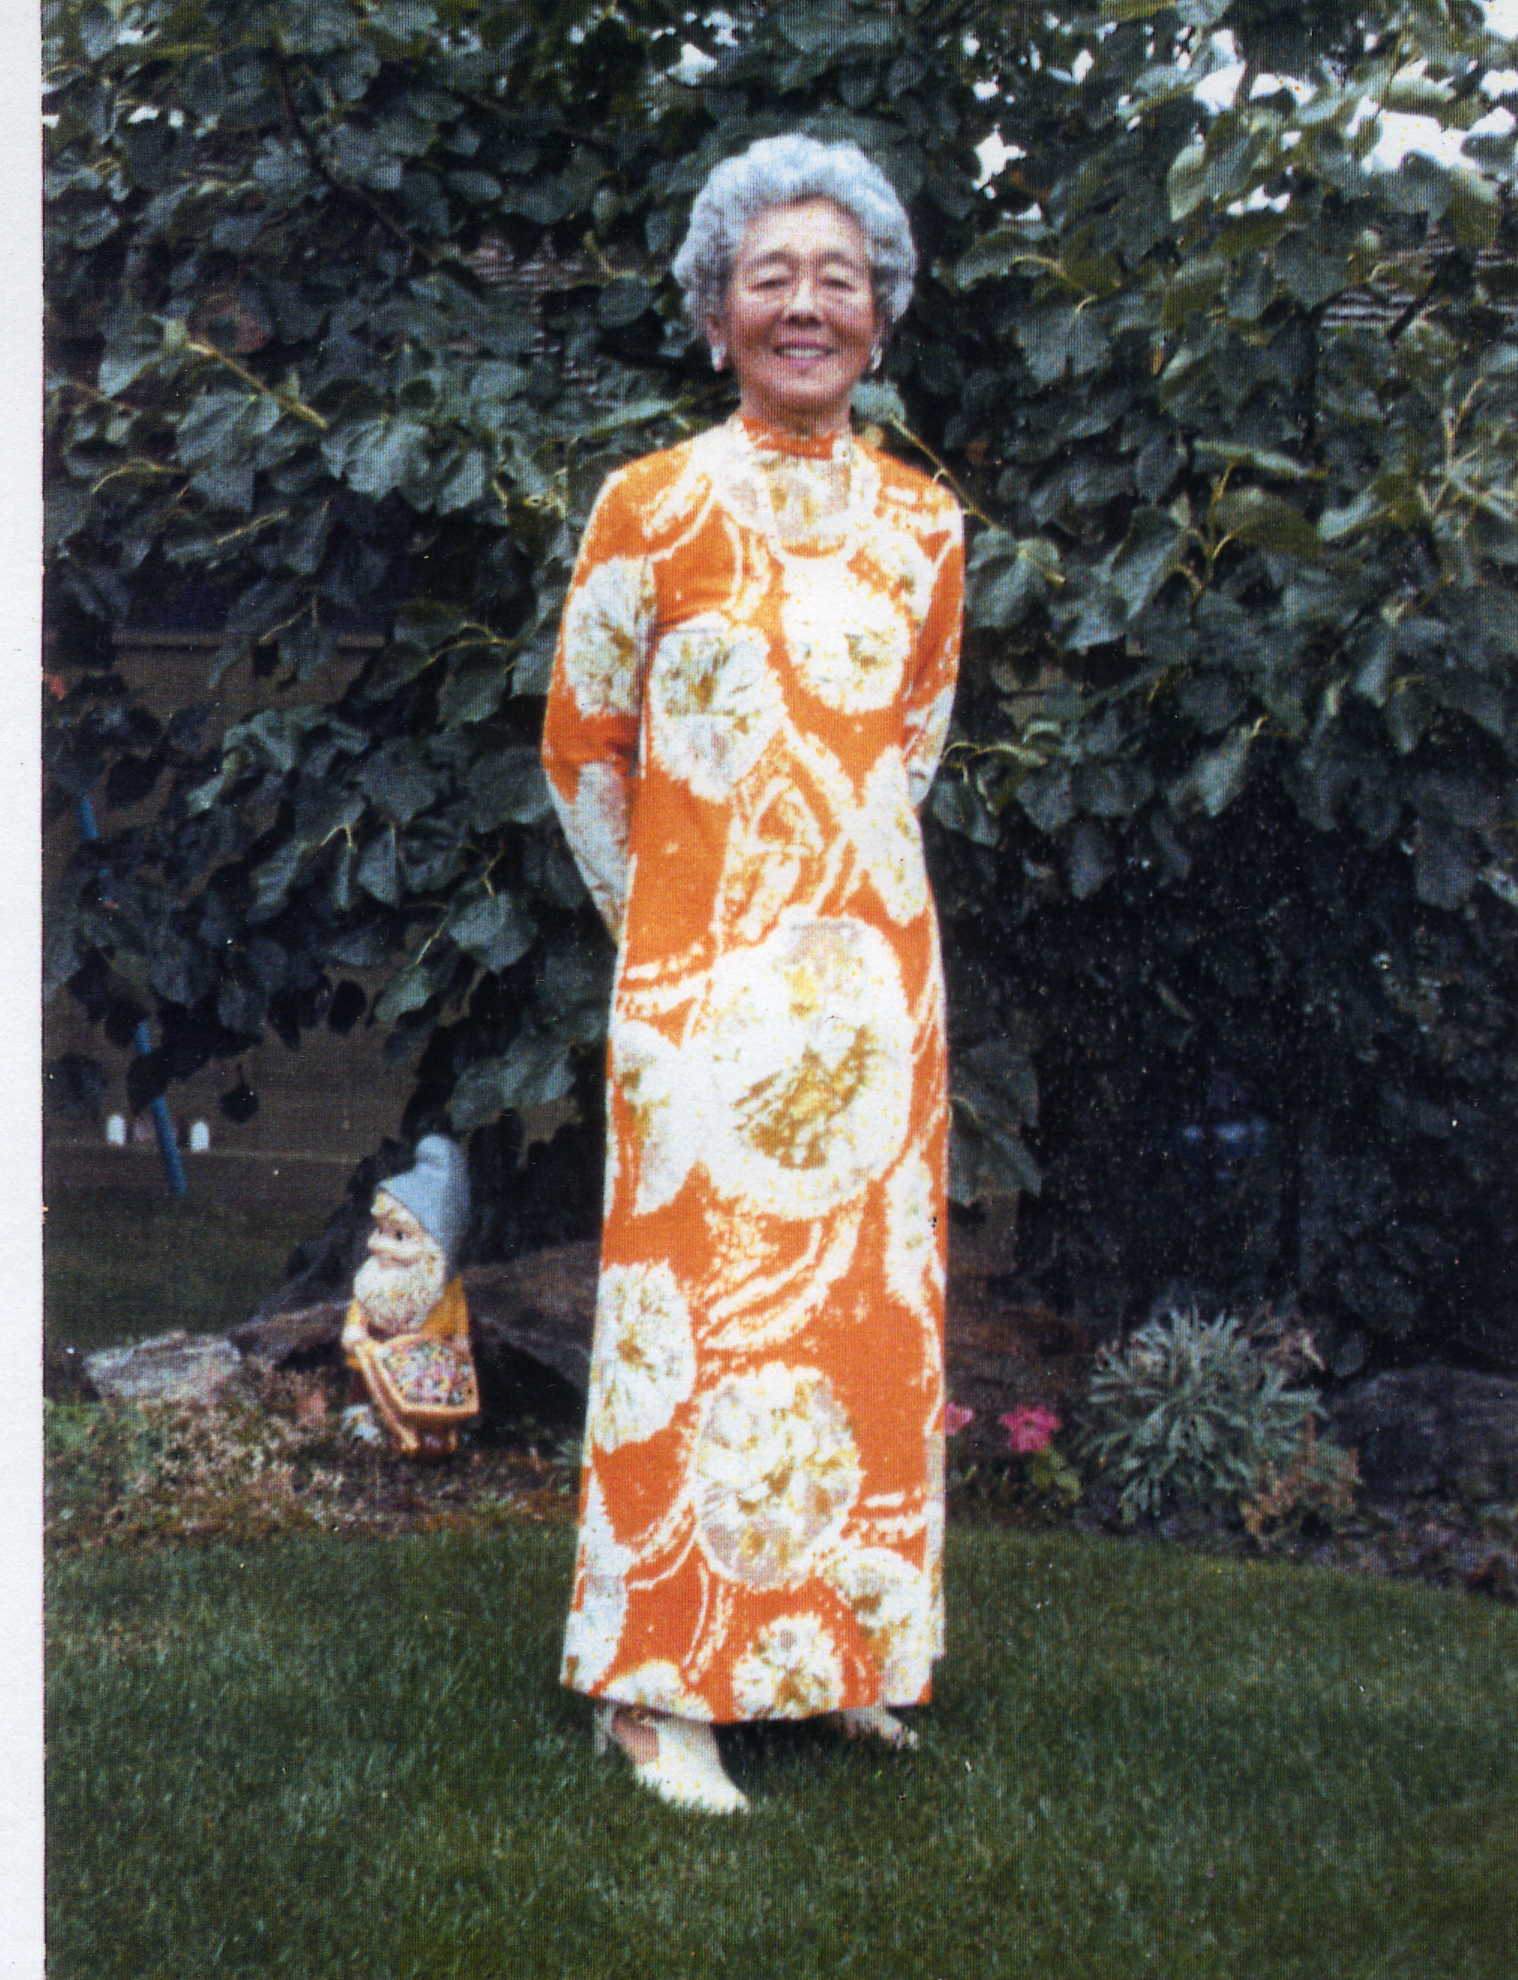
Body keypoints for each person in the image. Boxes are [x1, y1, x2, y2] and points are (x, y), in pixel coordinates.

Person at [540, 133, 964, 1815]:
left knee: (862, 1332)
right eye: (768, 277)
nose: (804, 306)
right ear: (713, 313)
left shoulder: (926, 524)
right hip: (698, 992)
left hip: (869, 994)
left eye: (836, 280)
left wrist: (831, 938)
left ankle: (827, 1656)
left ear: (880, 314)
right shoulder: (650, 504)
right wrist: (670, 940)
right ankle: (653, 1696)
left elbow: (905, 747)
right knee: (691, 1333)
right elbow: (582, 746)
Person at [340, 1134, 479, 1458]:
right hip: (376, 1350)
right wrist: (355, 1328)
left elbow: (457, 1309)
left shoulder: (443, 1284)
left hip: (427, 1358)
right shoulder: (374, 1278)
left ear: (436, 1247)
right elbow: (362, 1303)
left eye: (400, 1236)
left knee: (433, 1388)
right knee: (366, 1377)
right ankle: (361, 1413)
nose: (379, 1245)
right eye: (380, 1230)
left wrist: (460, 1336)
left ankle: (434, 1425)